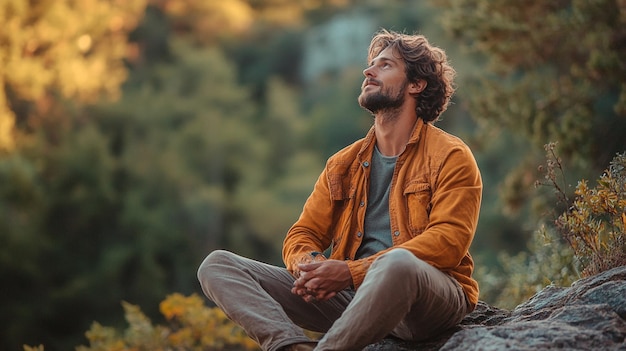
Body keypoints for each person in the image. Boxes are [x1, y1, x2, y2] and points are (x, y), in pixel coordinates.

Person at [197, 29, 482, 351]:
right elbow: (303, 233)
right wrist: (311, 266)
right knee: (218, 265)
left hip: (424, 300)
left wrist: (349, 272)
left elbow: (449, 241)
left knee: (398, 263)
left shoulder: (450, 156)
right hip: (353, 300)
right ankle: (290, 346)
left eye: (385, 65)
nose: (368, 71)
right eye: (371, 63)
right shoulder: (343, 164)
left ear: (416, 85)